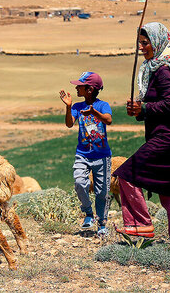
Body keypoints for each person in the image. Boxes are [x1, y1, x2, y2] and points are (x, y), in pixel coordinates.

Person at [114, 22, 170, 256]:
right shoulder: (157, 68)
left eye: (146, 42)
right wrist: (140, 111)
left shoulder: (163, 71)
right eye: (140, 43)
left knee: (126, 175)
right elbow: (156, 108)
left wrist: (145, 109)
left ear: (158, 42)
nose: (142, 47)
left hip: (166, 141)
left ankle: (140, 227)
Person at [59, 72, 113, 236]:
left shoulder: (103, 106)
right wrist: (68, 107)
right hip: (82, 155)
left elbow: (108, 120)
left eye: (80, 86)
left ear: (89, 89)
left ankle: (102, 224)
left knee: (102, 192)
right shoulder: (77, 107)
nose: (76, 87)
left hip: (102, 156)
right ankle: (88, 213)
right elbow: (69, 124)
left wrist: (94, 113)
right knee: (80, 183)